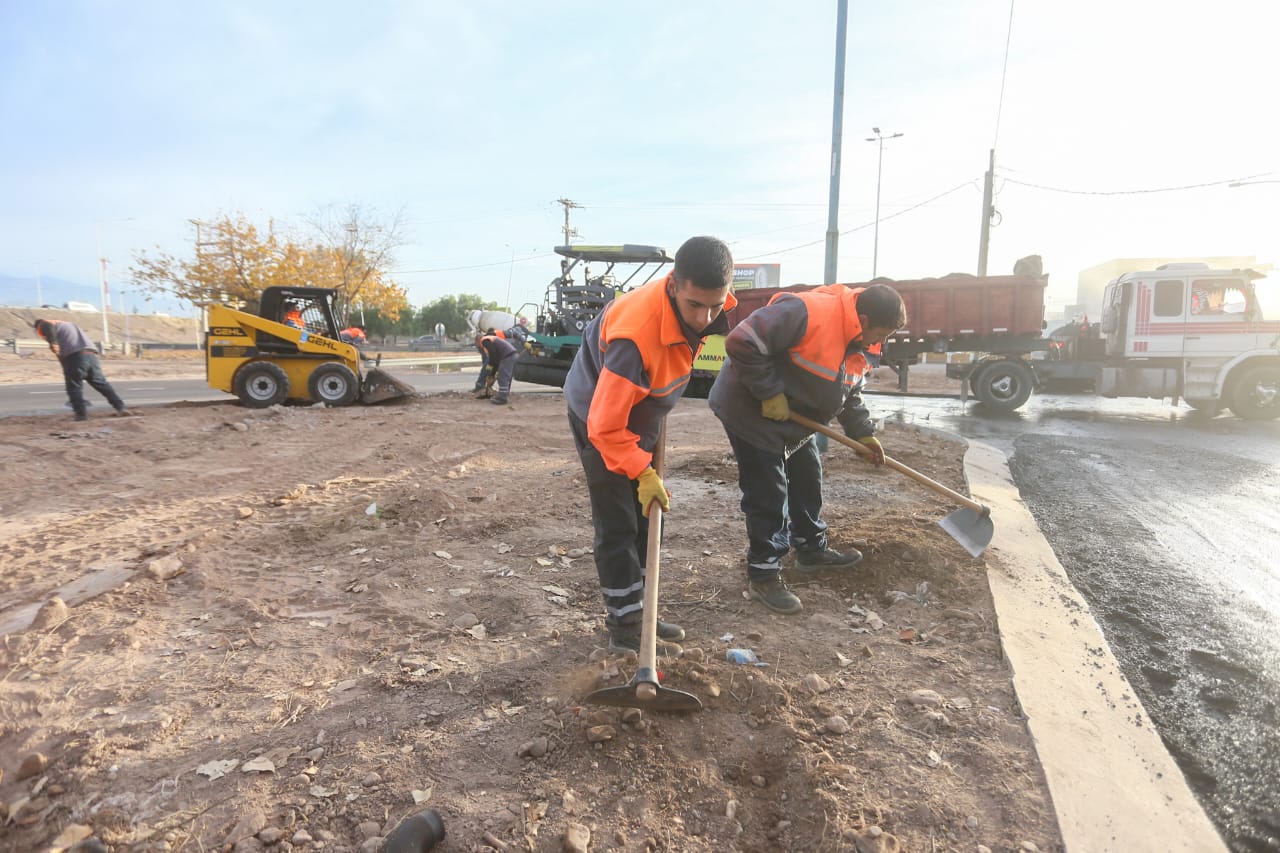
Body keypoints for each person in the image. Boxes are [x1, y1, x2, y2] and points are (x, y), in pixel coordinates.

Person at [563, 236, 737, 652]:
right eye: (696, 305)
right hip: (598, 416)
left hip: (643, 408)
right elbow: (606, 427)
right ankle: (624, 626)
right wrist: (640, 471)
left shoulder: (709, 303)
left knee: (648, 518)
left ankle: (644, 612)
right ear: (673, 285)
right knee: (618, 521)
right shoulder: (634, 337)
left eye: (715, 305)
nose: (705, 317)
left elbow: (679, 349)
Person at [708, 283, 907, 615]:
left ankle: (810, 550)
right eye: (882, 332)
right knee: (768, 490)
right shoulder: (807, 312)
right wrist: (769, 392)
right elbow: (741, 340)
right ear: (864, 317)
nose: (882, 342)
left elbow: (848, 391)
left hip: (795, 417)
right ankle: (764, 573)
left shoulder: (862, 340)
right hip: (748, 407)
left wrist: (863, 434)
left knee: (806, 473)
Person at [33, 319, 131, 421]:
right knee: (101, 384)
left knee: (74, 387)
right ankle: (120, 407)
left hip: (75, 356)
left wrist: (53, 343)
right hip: (91, 355)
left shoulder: (44, 324)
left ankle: (81, 415)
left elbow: (47, 326)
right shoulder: (68, 325)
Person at [475, 331, 518, 405]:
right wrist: (492, 374)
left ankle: (502, 398)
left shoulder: (484, 340)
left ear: (477, 340)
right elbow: (496, 360)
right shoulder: (491, 340)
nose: (478, 346)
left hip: (508, 355)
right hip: (511, 354)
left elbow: (493, 354)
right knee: (506, 376)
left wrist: (490, 365)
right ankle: (504, 394)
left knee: (503, 376)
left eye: (477, 344)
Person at [472, 327, 506, 393]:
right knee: (487, 370)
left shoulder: (486, 341)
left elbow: (492, 355)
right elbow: (487, 356)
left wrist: (490, 365)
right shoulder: (485, 342)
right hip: (498, 356)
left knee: (490, 371)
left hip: (499, 356)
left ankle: (484, 386)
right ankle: (483, 386)